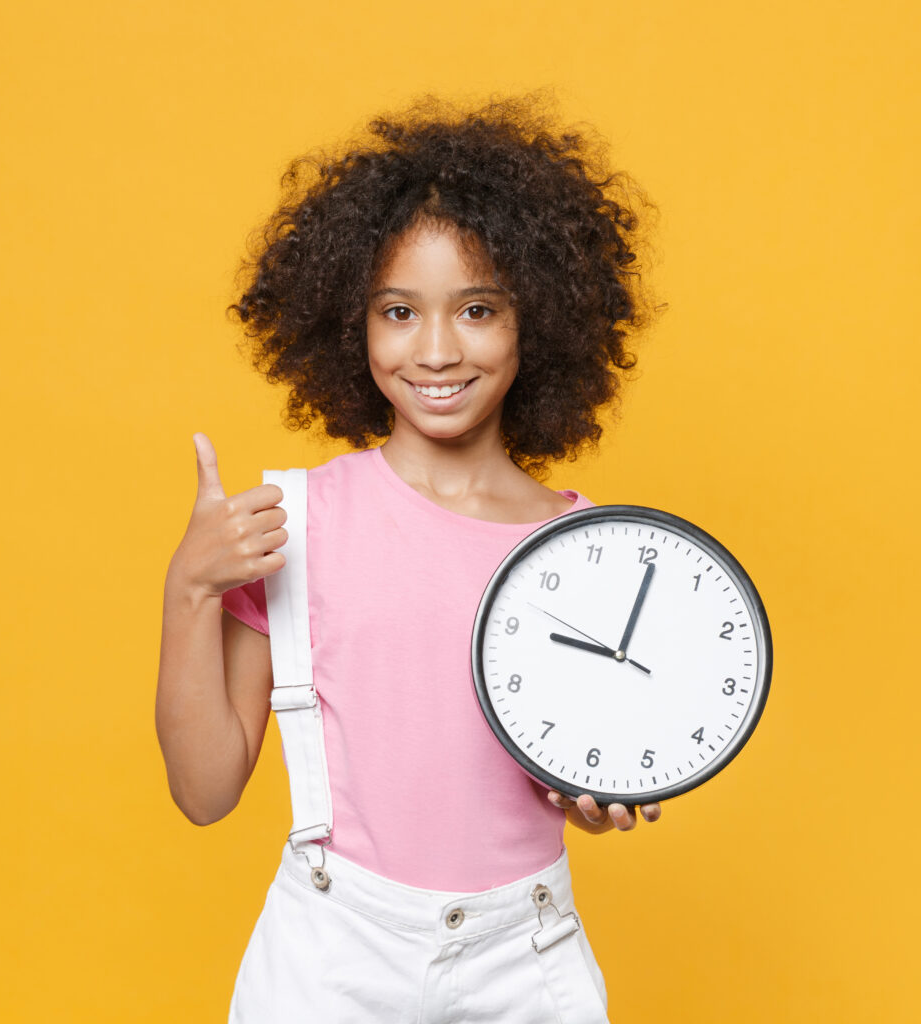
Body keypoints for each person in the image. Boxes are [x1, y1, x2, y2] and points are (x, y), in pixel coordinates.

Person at [155, 94, 662, 1023]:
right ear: (351, 323)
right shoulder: (295, 524)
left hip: (529, 959)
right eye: (399, 311)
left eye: (477, 309)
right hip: (330, 959)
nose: (436, 350)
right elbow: (204, 790)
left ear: (535, 323)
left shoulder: (587, 550)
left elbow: (595, 753)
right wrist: (189, 586)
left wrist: (605, 792)